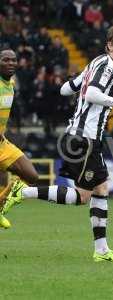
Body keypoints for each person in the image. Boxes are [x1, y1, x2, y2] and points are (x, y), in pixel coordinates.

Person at [1, 24, 113, 262]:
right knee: (84, 196)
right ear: (110, 45)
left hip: (83, 137)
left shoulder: (95, 63)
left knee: (99, 189)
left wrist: (83, 90)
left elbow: (65, 89)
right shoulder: (107, 66)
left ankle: (101, 251)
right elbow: (90, 94)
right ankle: (22, 192)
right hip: (83, 138)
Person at [0, 49, 39, 229]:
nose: (10, 63)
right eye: (5, 60)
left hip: (2, 144)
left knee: (31, 175)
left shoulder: (12, 83)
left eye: (13, 60)